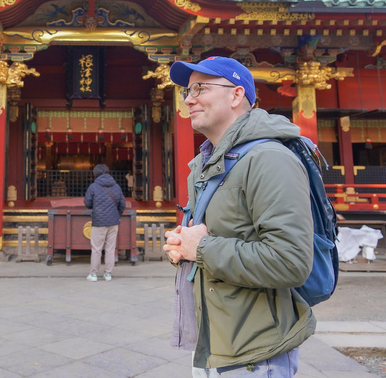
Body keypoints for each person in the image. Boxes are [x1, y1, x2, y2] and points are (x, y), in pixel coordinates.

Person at [163, 56, 315, 377]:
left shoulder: (269, 159)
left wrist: (200, 248)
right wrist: (185, 245)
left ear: (235, 95)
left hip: (255, 353)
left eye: (200, 88)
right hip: (214, 341)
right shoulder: (206, 165)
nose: (189, 99)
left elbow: (290, 261)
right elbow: (216, 238)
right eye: (186, 91)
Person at [84, 164, 126, 282]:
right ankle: (108, 274)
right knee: (110, 248)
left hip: (98, 222)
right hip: (113, 222)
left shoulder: (93, 187)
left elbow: (87, 203)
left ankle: (93, 274)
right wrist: (117, 215)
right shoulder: (116, 186)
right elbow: (122, 203)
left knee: (97, 248)